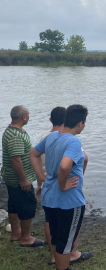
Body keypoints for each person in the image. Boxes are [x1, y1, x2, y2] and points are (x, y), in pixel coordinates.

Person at [30, 105, 89, 270]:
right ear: (80, 123)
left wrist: (42, 177)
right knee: (65, 242)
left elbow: (33, 153)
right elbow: (64, 166)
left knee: (56, 237)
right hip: (68, 201)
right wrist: (63, 185)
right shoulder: (74, 141)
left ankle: (60, 266)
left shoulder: (52, 136)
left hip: (49, 197)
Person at [1, 106, 45, 247]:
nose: (29, 117)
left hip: (10, 177)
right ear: (24, 117)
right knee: (28, 205)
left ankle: (16, 233)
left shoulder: (11, 130)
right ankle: (26, 238)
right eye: (28, 115)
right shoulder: (15, 135)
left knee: (13, 203)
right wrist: (23, 179)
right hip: (18, 178)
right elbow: (16, 159)